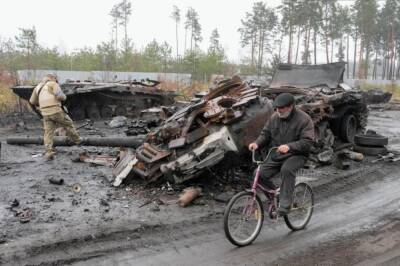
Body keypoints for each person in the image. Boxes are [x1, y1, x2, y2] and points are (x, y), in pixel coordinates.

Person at [248, 93, 314, 216]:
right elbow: (265, 134)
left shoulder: (304, 120)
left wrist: (289, 146)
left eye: (281, 108)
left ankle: (284, 206)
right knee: (259, 173)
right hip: (277, 154)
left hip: (297, 155)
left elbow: (307, 142)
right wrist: (256, 143)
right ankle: (274, 195)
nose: (278, 110)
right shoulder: (274, 118)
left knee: (287, 170)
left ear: (290, 107)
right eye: (277, 108)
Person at [29, 73, 81, 161]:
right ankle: (78, 141)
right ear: (53, 78)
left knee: (48, 132)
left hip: (45, 113)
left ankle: (49, 151)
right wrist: (64, 97)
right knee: (68, 124)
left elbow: (32, 101)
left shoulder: (38, 87)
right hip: (56, 111)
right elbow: (60, 96)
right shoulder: (53, 84)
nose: (57, 81)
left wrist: (42, 103)